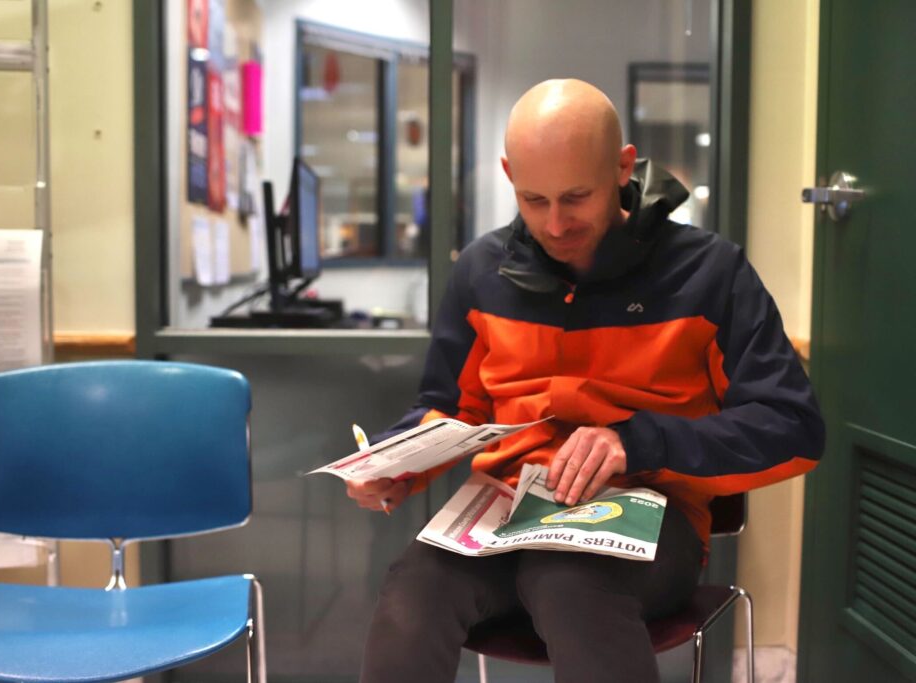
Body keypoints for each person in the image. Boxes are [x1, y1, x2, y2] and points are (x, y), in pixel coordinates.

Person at [345, 79, 824, 683]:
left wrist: (636, 442)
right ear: (508, 175)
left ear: (623, 167)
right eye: (532, 199)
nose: (555, 223)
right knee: (411, 595)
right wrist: (396, 464)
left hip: (649, 516)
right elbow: (446, 409)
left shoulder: (710, 273)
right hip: (502, 517)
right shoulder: (480, 272)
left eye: (576, 197)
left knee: (568, 582)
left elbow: (794, 429)